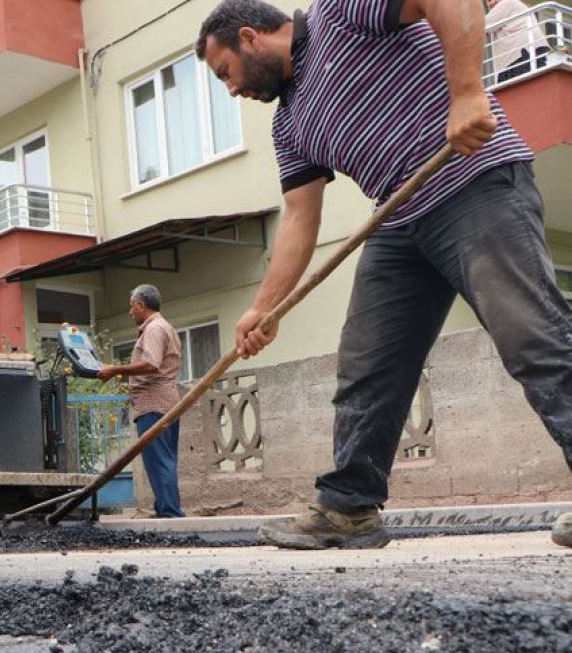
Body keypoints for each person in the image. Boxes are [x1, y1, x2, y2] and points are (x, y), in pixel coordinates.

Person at [196, 0, 572, 550]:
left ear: (249, 37)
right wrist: (265, 307)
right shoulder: (290, 126)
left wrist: (467, 92)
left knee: (533, 339)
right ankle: (348, 508)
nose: (232, 90)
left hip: (474, 184)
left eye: (225, 73)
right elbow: (300, 220)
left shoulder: (340, 15)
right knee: (368, 365)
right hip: (401, 222)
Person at [96, 285, 186, 518]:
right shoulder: (166, 327)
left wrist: (115, 369)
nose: (130, 312)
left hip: (153, 404)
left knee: (159, 462)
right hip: (166, 402)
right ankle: (167, 510)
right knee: (164, 460)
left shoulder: (154, 329)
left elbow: (151, 363)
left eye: (131, 307)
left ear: (140, 305)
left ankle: (170, 515)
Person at [486, 0, 549, 83]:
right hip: (529, 55)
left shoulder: (507, 3)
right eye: (488, 1)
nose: (491, 3)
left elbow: (481, 26)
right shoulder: (513, 5)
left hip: (522, 58)